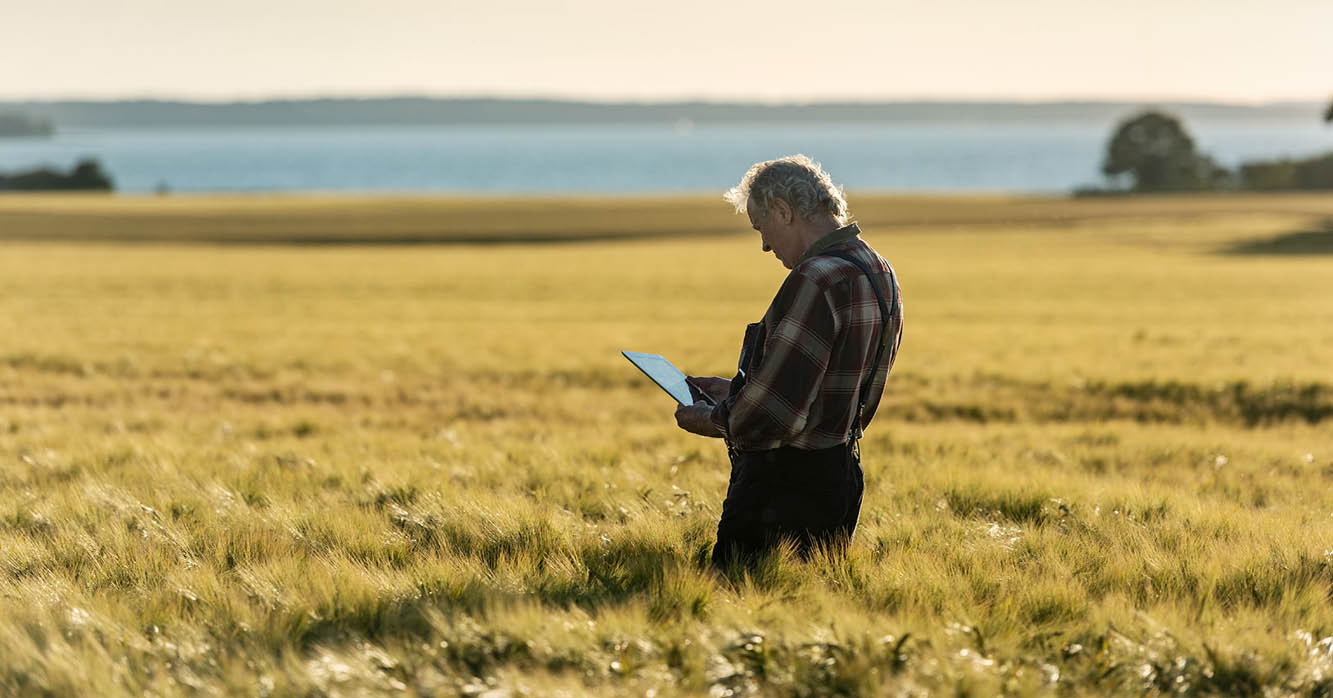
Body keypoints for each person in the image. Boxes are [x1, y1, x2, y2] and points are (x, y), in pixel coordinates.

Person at [674, 155, 903, 571]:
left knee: (740, 601)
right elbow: (821, 385)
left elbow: (773, 415)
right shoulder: (879, 269)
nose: (764, 245)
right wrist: (740, 390)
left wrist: (713, 417)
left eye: (762, 227)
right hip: (841, 477)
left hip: (782, 487)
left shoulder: (816, 278)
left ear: (784, 210)